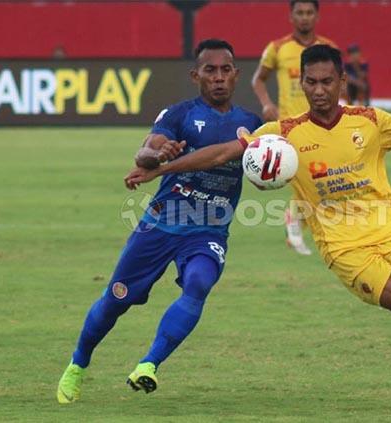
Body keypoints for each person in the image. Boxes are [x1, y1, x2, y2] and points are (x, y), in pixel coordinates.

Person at [126, 44, 391, 413]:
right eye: (311, 82)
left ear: (341, 81)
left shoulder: (370, 121)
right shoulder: (283, 135)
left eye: (327, 81)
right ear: (301, 83)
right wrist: (162, 169)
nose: (319, 90)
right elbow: (220, 154)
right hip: (346, 251)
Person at [56, 39, 263, 404]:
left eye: (225, 70)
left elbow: (248, 165)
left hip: (208, 230)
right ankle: (78, 364)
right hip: (161, 225)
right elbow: (145, 150)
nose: (218, 78)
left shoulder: (251, 125)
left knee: (199, 283)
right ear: (195, 75)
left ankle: (148, 365)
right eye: (210, 71)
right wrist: (156, 154)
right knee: (115, 301)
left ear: (236, 74)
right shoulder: (179, 114)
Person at [252, 0, 337, 256]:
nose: (304, 18)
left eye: (309, 12)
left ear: (317, 16)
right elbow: (258, 79)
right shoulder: (278, 48)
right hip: (293, 126)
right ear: (291, 16)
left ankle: (297, 221)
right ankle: (299, 225)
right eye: (299, 12)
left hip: (323, 123)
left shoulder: (329, 49)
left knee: (321, 176)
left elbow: (338, 83)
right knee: (310, 175)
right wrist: (267, 104)